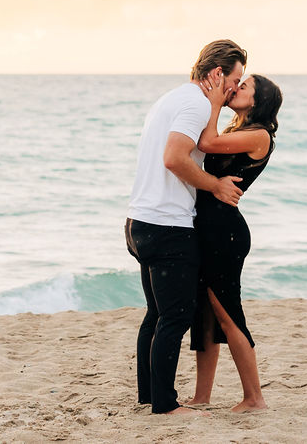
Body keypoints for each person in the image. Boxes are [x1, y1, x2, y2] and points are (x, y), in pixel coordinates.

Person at [124, 39, 248, 416]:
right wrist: (216, 185)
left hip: (138, 221)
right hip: (168, 225)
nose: (235, 88)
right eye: (235, 78)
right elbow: (174, 157)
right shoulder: (195, 104)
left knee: (156, 315)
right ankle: (164, 405)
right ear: (216, 73)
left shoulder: (172, 98)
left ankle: (150, 397)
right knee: (175, 317)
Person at [186, 71, 283, 413]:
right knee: (206, 316)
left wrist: (213, 103)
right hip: (209, 226)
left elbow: (206, 144)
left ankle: (254, 398)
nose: (236, 89)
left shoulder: (259, 136)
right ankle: (202, 397)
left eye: (244, 87)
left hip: (225, 233)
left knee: (228, 313)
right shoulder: (237, 130)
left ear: (259, 101)